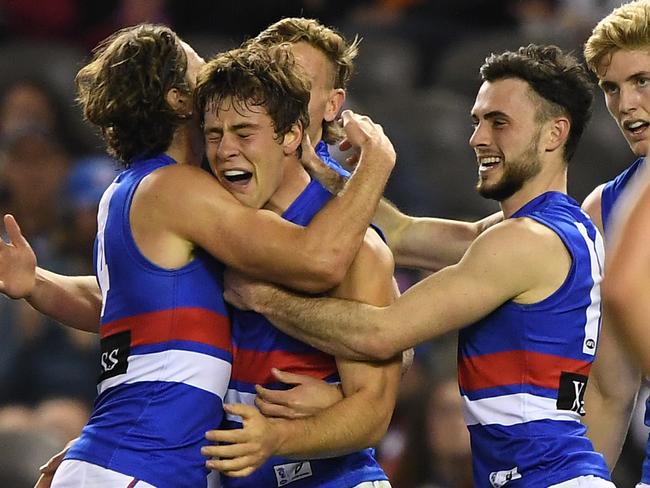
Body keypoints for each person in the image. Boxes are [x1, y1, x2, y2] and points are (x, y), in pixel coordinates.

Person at [0, 23, 396, 487]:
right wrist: (376, 166)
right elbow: (318, 259)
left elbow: (127, 311)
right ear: (179, 100)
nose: (207, 70)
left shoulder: (130, 192)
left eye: (244, 131)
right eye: (195, 64)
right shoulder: (184, 194)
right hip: (148, 463)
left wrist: (39, 283)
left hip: (131, 455)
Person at [224, 44, 616, 487]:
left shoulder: (523, 242)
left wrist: (261, 296)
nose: (478, 138)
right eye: (476, 121)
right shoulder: (560, 228)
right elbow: (404, 234)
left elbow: (381, 333)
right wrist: (336, 174)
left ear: (553, 134)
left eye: (498, 122)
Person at [194, 44, 401, 486]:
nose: (225, 150)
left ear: (292, 134)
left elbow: (372, 413)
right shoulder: (207, 226)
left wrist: (280, 436)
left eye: (244, 133)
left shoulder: (357, 247)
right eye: (214, 135)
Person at [578, 0, 650, 482]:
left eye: (642, 80)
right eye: (611, 87)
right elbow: (607, 387)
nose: (625, 105)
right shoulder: (605, 208)